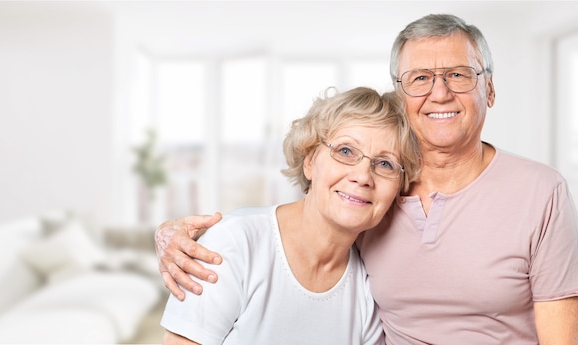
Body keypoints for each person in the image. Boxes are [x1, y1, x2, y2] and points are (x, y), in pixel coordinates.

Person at [155, 14, 578, 345]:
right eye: (420, 78)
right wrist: (172, 235)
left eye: (459, 75)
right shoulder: (370, 203)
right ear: (401, 95)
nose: (439, 92)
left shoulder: (542, 192)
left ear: (490, 88)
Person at [160, 86, 421, 345]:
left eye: (385, 163)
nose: (363, 176)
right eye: (345, 151)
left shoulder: (368, 288)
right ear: (309, 162)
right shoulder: (235, 242)